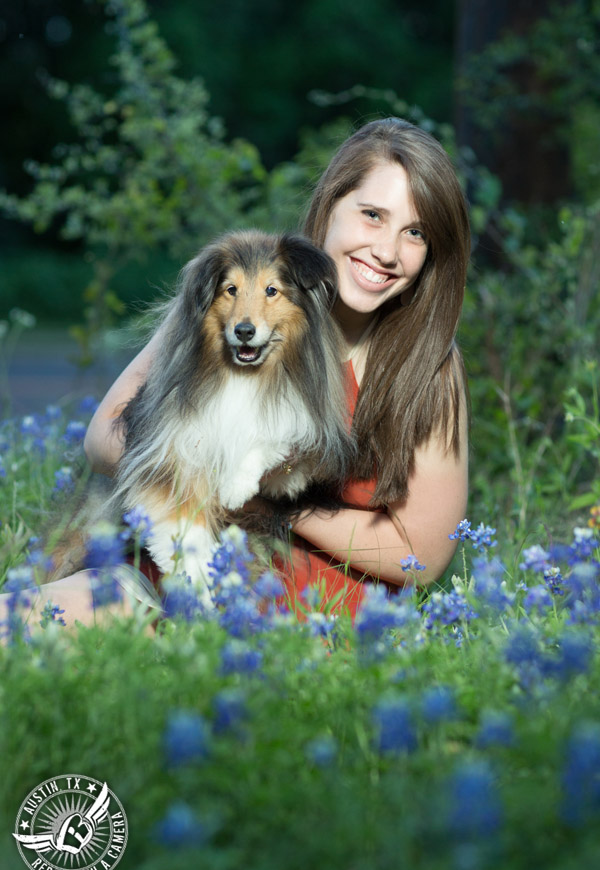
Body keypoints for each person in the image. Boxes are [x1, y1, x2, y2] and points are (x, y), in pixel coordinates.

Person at [2, 117, 470, 630]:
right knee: (20, 621)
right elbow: (103, 438)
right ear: (331, 206)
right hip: (178, 569)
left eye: (415, 233)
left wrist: (274, 502)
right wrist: (217, 473)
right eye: (372, 215)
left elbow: (420, 552)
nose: (386, 250)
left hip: (320, 618)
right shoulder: (226, 308)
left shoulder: (429, 366)